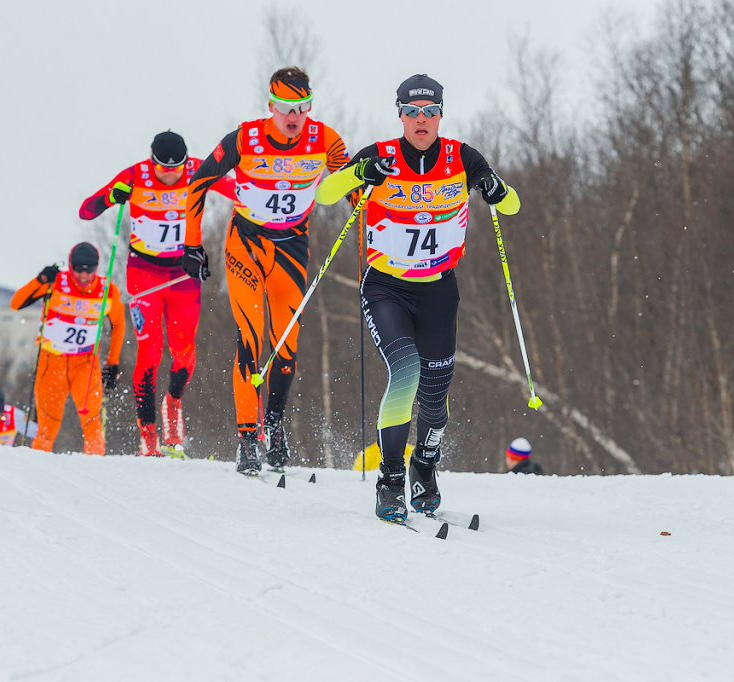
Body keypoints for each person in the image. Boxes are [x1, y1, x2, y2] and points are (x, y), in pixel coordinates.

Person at [315, 74, 521, 521]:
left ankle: (424, 468)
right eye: (412, 111)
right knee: (406, 373)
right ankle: (389, 481)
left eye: (430, 111)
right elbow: (326, 193)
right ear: (401, 115)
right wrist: (357, 173)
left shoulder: (463, 157)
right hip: (387, 287)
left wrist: (495, 189)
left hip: (439, 291)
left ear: (441, 114)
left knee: (435, 393)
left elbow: (512, 206)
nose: (421, 119)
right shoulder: (380, 155)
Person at [184, 66, 350, 475]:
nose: (293, 117)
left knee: (286, 347)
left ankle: (274, 429)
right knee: (249, 340)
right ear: (270, 106)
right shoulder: (245, 138)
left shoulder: (325, 140)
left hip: (292, 248)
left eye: (301, 107)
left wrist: (368, 233)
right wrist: (192, 244)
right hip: (246, 244)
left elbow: (352, 187)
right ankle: (247, 438)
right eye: (285, 108)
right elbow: (198, 182)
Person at [79, 131, 235, 456]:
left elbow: (242, 194)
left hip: (183, 275)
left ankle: (173, 401)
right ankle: (148, 436)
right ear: (152, 161)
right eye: (163, 168)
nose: (170, 174)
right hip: (144, 274)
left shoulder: (198, 170)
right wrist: (113, 197)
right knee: (150, 349)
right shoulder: (135, 175)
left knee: (184, 351)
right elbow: (86, 211)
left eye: (176, 168)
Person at [10, 242, 125, 455]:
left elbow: (118, 323)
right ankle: (38, 467)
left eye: (89, 269)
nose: (83, 275)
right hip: (52, 362)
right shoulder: (56, 283)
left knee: (92, 422)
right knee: (47, 427)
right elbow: (16, 303)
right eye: (78, 268)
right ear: (70, 266)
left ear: (96, 267)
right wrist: (40, 279)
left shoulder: (107, 290)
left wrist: (113, 362)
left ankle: (96, 466)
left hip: (85, 364)